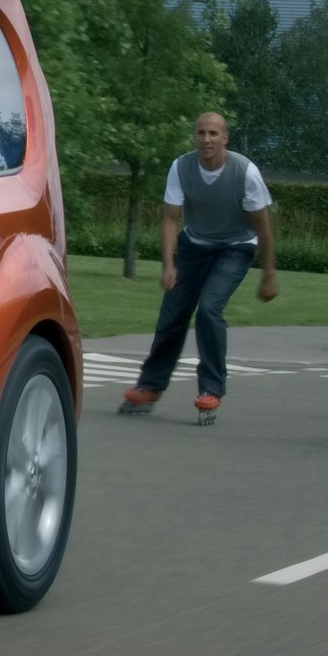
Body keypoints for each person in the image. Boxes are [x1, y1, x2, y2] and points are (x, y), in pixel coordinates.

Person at [120, 112, 280, 424]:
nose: (206, 139)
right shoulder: (181, 167)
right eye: (200, 133)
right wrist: (168, 265)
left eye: (213, 134)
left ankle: (211, 389)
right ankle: (150, 385)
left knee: (209, 308)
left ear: (225, 138)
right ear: (194, 136)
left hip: (235, 246)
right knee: (173, 312)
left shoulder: (245, 172)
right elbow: (170, 218)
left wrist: (269, 274)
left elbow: (263, 226)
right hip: (194, 244)